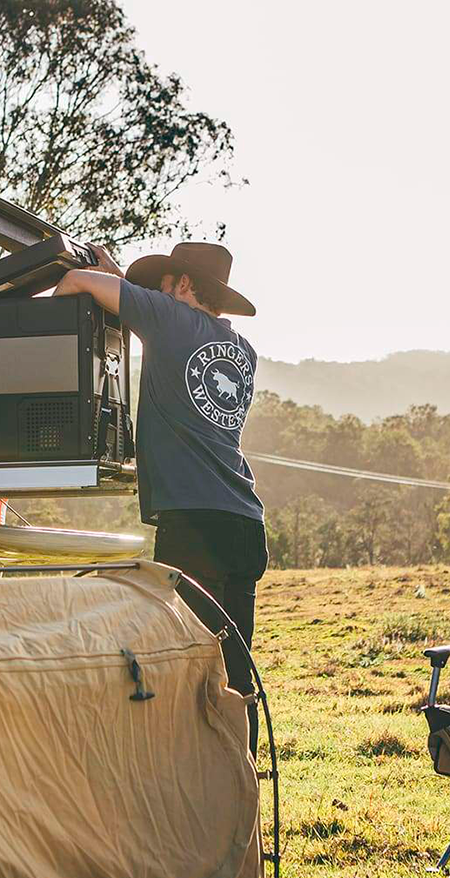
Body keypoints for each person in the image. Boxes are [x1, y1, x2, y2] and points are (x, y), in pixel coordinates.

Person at [53, 242, 267, 754]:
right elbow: (148, 314)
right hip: (243, 523)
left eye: (166, 283)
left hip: (194, 524)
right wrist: (121, 280)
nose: (160, 293)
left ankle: (188, 786)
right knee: (235, 674)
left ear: (184, 286)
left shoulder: (171, 322)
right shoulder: (242, 350)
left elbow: (80, 286)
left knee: (183, 669)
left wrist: (36, 338)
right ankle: (241, 784)